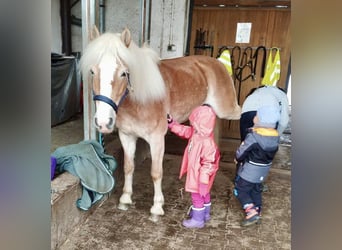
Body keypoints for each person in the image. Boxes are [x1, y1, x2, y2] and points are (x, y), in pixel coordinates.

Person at [167, 104, 220, 228]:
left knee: (196, 196)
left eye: (194, 122)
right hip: (198, 174)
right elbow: (185, 131)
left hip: (199, 176)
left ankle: (198, 220)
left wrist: (203, 181)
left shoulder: (207, 143)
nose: (192, 125)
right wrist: (172, 124)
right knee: (205, 194)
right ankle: (204, 214)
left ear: (200, 122)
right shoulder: (198, 133)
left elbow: (208, 164)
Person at [233, 105, 280, 227]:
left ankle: (251, 212)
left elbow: (242, 151)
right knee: (256, 189)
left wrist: (237, 158)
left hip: (250, 170)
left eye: (257, 115)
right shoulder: (275, 137)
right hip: (264, 170)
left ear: (259, 120)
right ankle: (258, 211)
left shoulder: (253, 136)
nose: (255, 117)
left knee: (240, 189)